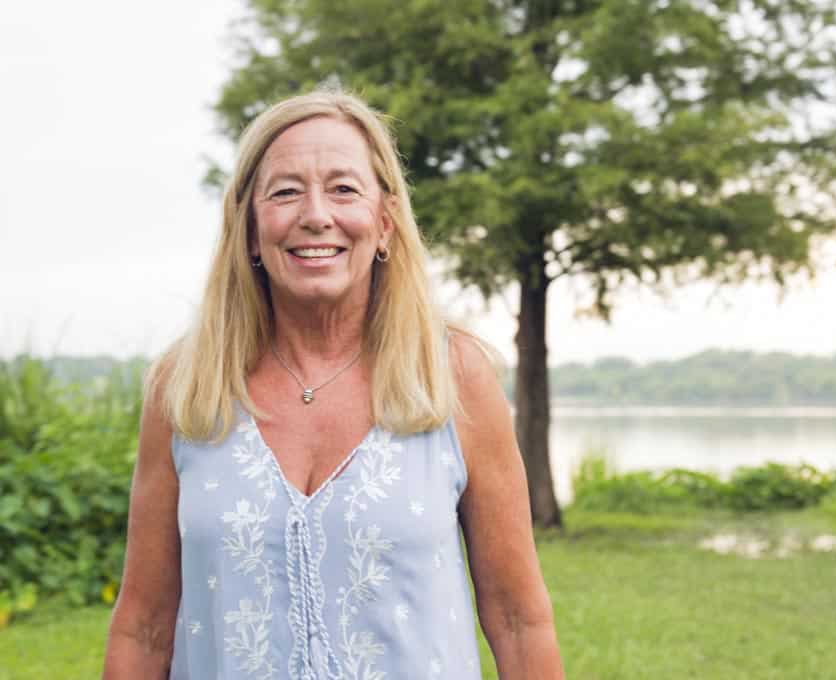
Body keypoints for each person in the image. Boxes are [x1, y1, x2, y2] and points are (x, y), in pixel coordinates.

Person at [103, 89, 564, 679]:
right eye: (286, 191)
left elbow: (518, 618)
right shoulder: (185, 388)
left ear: (385, 222)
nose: (316, 215)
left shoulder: (454, 376)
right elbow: (143, 626)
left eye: (344, 189)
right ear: (248, 227)